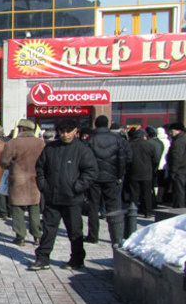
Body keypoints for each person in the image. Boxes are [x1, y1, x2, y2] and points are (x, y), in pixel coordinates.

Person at [30, 119, 98, 271]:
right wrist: (43, 185)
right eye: (62, 132)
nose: (65, 135)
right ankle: (42, 258)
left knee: (75, 230)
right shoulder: (50, 148)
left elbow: (91, 171)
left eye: (68, 131)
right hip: (52, 197)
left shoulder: (82, 150)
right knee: (48, 230)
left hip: (72, 198)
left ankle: (77, 259)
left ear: (75, 131)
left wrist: (77, 187)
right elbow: (40, 168)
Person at [0, 119, 45, 246]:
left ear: (21, 129)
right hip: (35, 180)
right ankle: (37, 236)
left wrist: (9, 166)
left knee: (17, 208)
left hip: (18, 180)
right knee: (34, 208)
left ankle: (20, 237)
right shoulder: (40, 143)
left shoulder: (13, 143)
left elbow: (4, 161)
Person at [85, 115, 128, 244]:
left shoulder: (90, 139)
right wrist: (120, 175)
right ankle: (116, 236)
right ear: (108, 124)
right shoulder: (117, 139)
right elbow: (122, 159)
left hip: (94, 178)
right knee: (113, 207)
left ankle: (93, 235)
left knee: (93, 207)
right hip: (112, 177)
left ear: (95, 125)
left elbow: (85, 159)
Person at [127, 129, 157, 217]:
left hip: (133, 172)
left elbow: (128, 159)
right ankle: (148, 212)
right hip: (147, 173)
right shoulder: (150, 145)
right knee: (147, 193)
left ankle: (133, 211)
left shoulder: (130, 145)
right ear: (144, 136)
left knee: (134, 194)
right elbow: (155, 160)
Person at [167, 122, 186, 208]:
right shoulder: (183, 139)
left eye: (172, 131)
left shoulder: (178, 141)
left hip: (180, 170)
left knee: (179, 191)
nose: (170, 133)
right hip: (183, 168)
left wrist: (173, 171)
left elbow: (176, 157)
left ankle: (179, 208)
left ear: (178, 130)